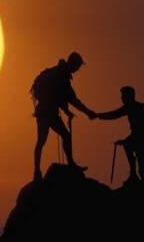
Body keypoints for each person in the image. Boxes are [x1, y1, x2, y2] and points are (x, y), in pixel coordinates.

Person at [30, 52, 96, 181]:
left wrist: (66, 111)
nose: (77, 70)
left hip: (44, 111)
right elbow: (71, 99)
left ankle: (37, 171)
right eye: (77, 67)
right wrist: (88, 112)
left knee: (41, 141)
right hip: (48, 112)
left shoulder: (58, 73)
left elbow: (60, 96)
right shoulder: (62, 76)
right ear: (73, 64)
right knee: (63, 135)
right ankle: (70, 164)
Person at [94, 86, 144, 183]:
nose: (121, 98)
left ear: (129, 96)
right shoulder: (133, 108)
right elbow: (136, 132)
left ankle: (134, 175)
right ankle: (133, 174)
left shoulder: (132, 108)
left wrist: (97, 116)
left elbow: (114, 115)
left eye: (123, 96)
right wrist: (98, 116)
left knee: (142, 168)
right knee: (141, 166)